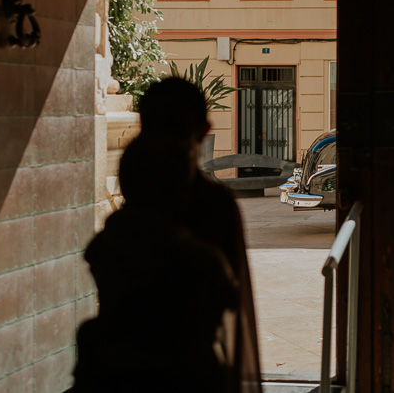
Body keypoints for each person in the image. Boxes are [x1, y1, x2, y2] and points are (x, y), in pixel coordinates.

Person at [74, 77, 262, 392]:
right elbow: (226, 294)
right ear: (203, 131)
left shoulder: (115, 233)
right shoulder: (211, 208)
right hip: (185, 371)